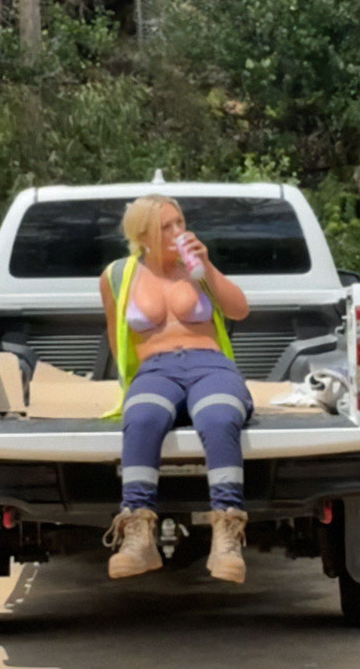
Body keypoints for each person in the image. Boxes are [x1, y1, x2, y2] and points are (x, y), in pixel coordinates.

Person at [99, 194, 253, 583]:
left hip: (209, 364)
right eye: (165, 226)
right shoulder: (117, 275)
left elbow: (239, 310)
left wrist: (206, 269)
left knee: (219, 417)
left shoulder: (195, 269)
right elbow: (116, 337)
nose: (177, 232)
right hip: (156, 368)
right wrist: (131, 383)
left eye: (180, 222)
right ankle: (137, 536)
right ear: (142, 233)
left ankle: (227, 535)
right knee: (143, 416)